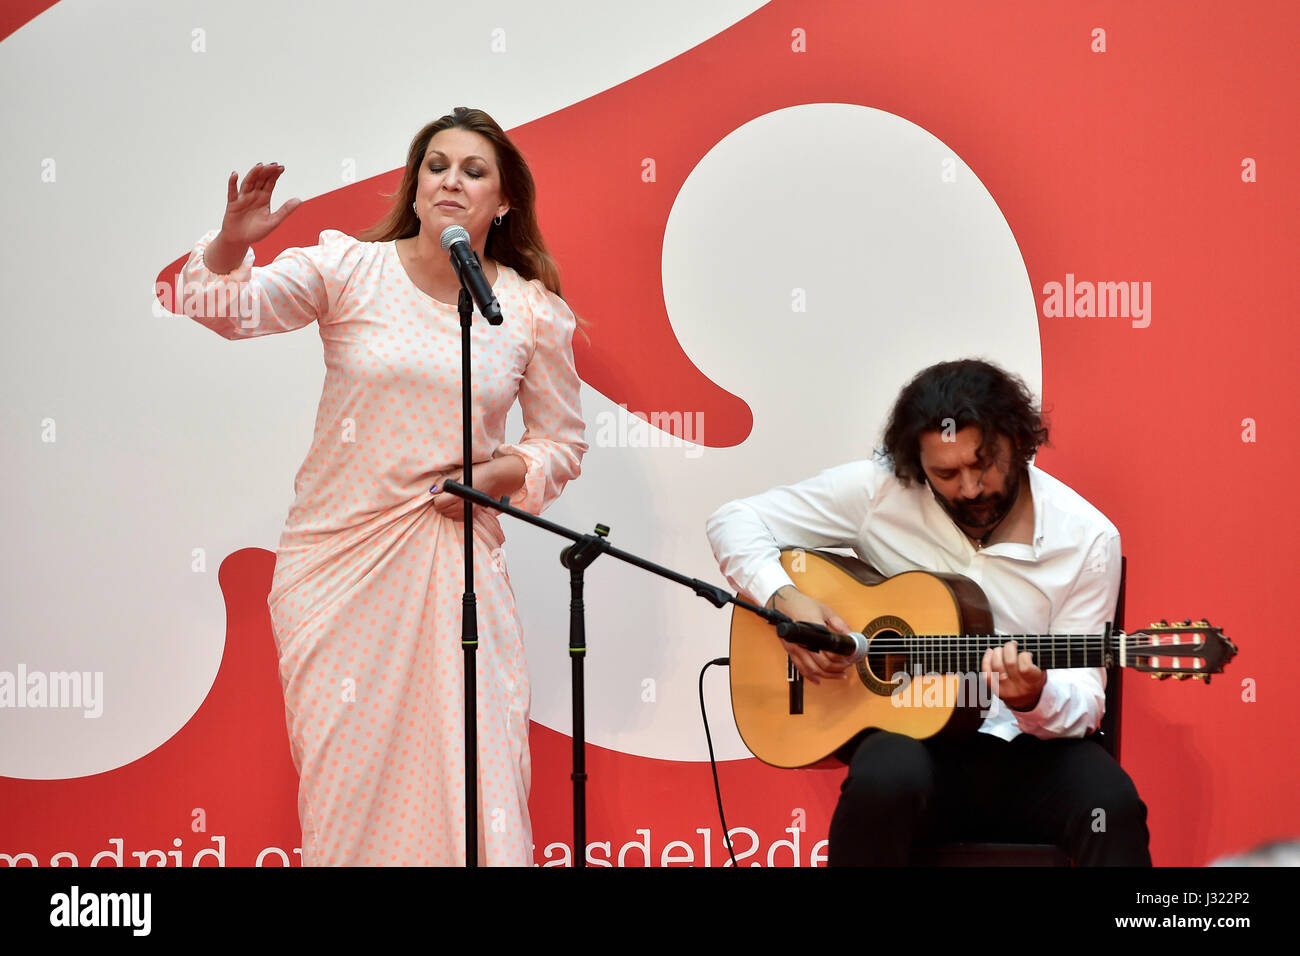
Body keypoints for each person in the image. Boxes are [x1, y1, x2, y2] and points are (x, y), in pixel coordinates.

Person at [179, 107, 587, 865]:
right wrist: (234, 241)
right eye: (436, 165)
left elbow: (560, 441)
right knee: (348, 784)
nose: (451, 182)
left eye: (473, 171)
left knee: (477, 775)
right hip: (336, 570)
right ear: (415, 182)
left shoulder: (529, 310)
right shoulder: (348, 269)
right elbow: (214, 308)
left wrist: (511, 471)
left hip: (455, 566)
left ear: (503, 203)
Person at [705, 359, 1151, 865]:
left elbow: (1087, 700)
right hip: (911, 751)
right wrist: (785, 600)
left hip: (1028, 754)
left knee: (1110, 806)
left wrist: (1035, 695)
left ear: (1018, 441)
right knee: (885, 775)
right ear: (917, 465)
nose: (970, 488)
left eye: (984, 464)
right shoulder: (882, 492)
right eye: (946, 473)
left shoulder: (1087, 538)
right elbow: (734, 521)